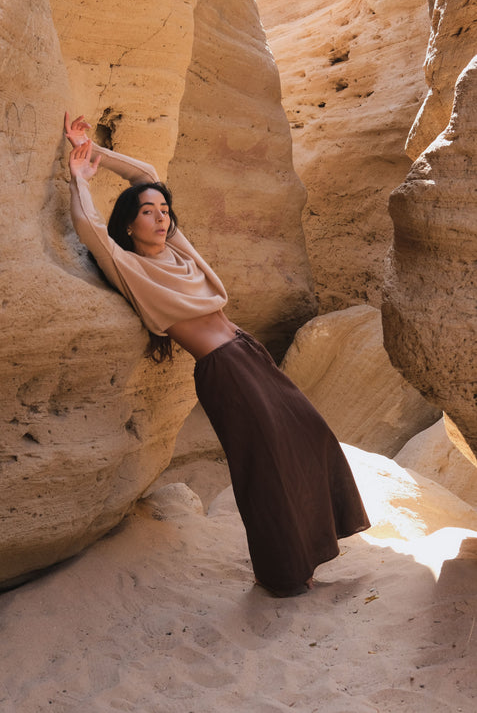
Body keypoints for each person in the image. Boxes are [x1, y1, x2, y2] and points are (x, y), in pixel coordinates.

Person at [64, 112, 371, 597]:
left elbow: (145, 174)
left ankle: (311, 551)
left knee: (310, 434)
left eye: (164, 210)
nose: (161, 217)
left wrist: (93, 149)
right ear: (128, 224)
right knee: (264, 467)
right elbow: (88, 225)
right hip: (225, 370)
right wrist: (79, 175)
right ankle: (283, 575)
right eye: (148, 212)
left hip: (248, 351)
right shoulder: (131, 268)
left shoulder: (178, 251)